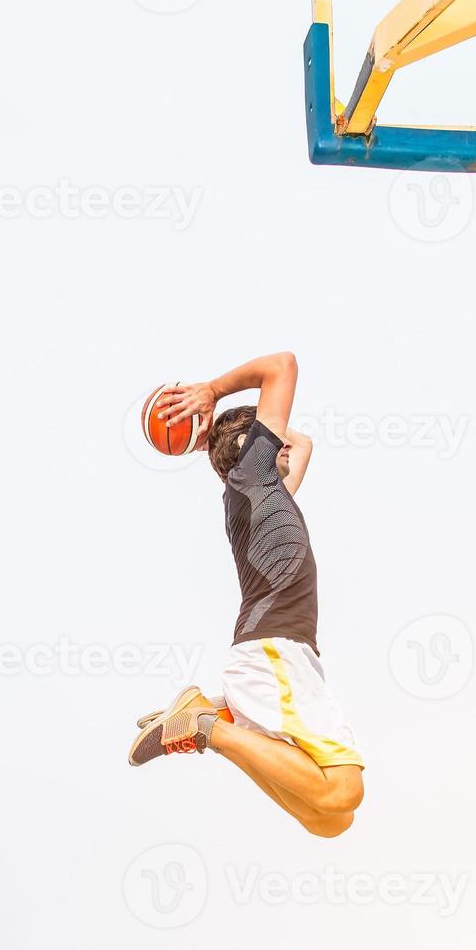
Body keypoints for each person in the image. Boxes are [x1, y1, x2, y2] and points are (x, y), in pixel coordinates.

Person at [127, 352, 364, 839]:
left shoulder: (254, 492)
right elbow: (283, 366)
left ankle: (217, 719)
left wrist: (206, 439)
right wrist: (211, 394)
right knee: (343, 792)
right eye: (270, 438)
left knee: (331, 819)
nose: (284, 444)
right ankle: (206, 725)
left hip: (276, 653)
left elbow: (304, 444)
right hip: (275, 650)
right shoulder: (253, 475)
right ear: (252, 445)